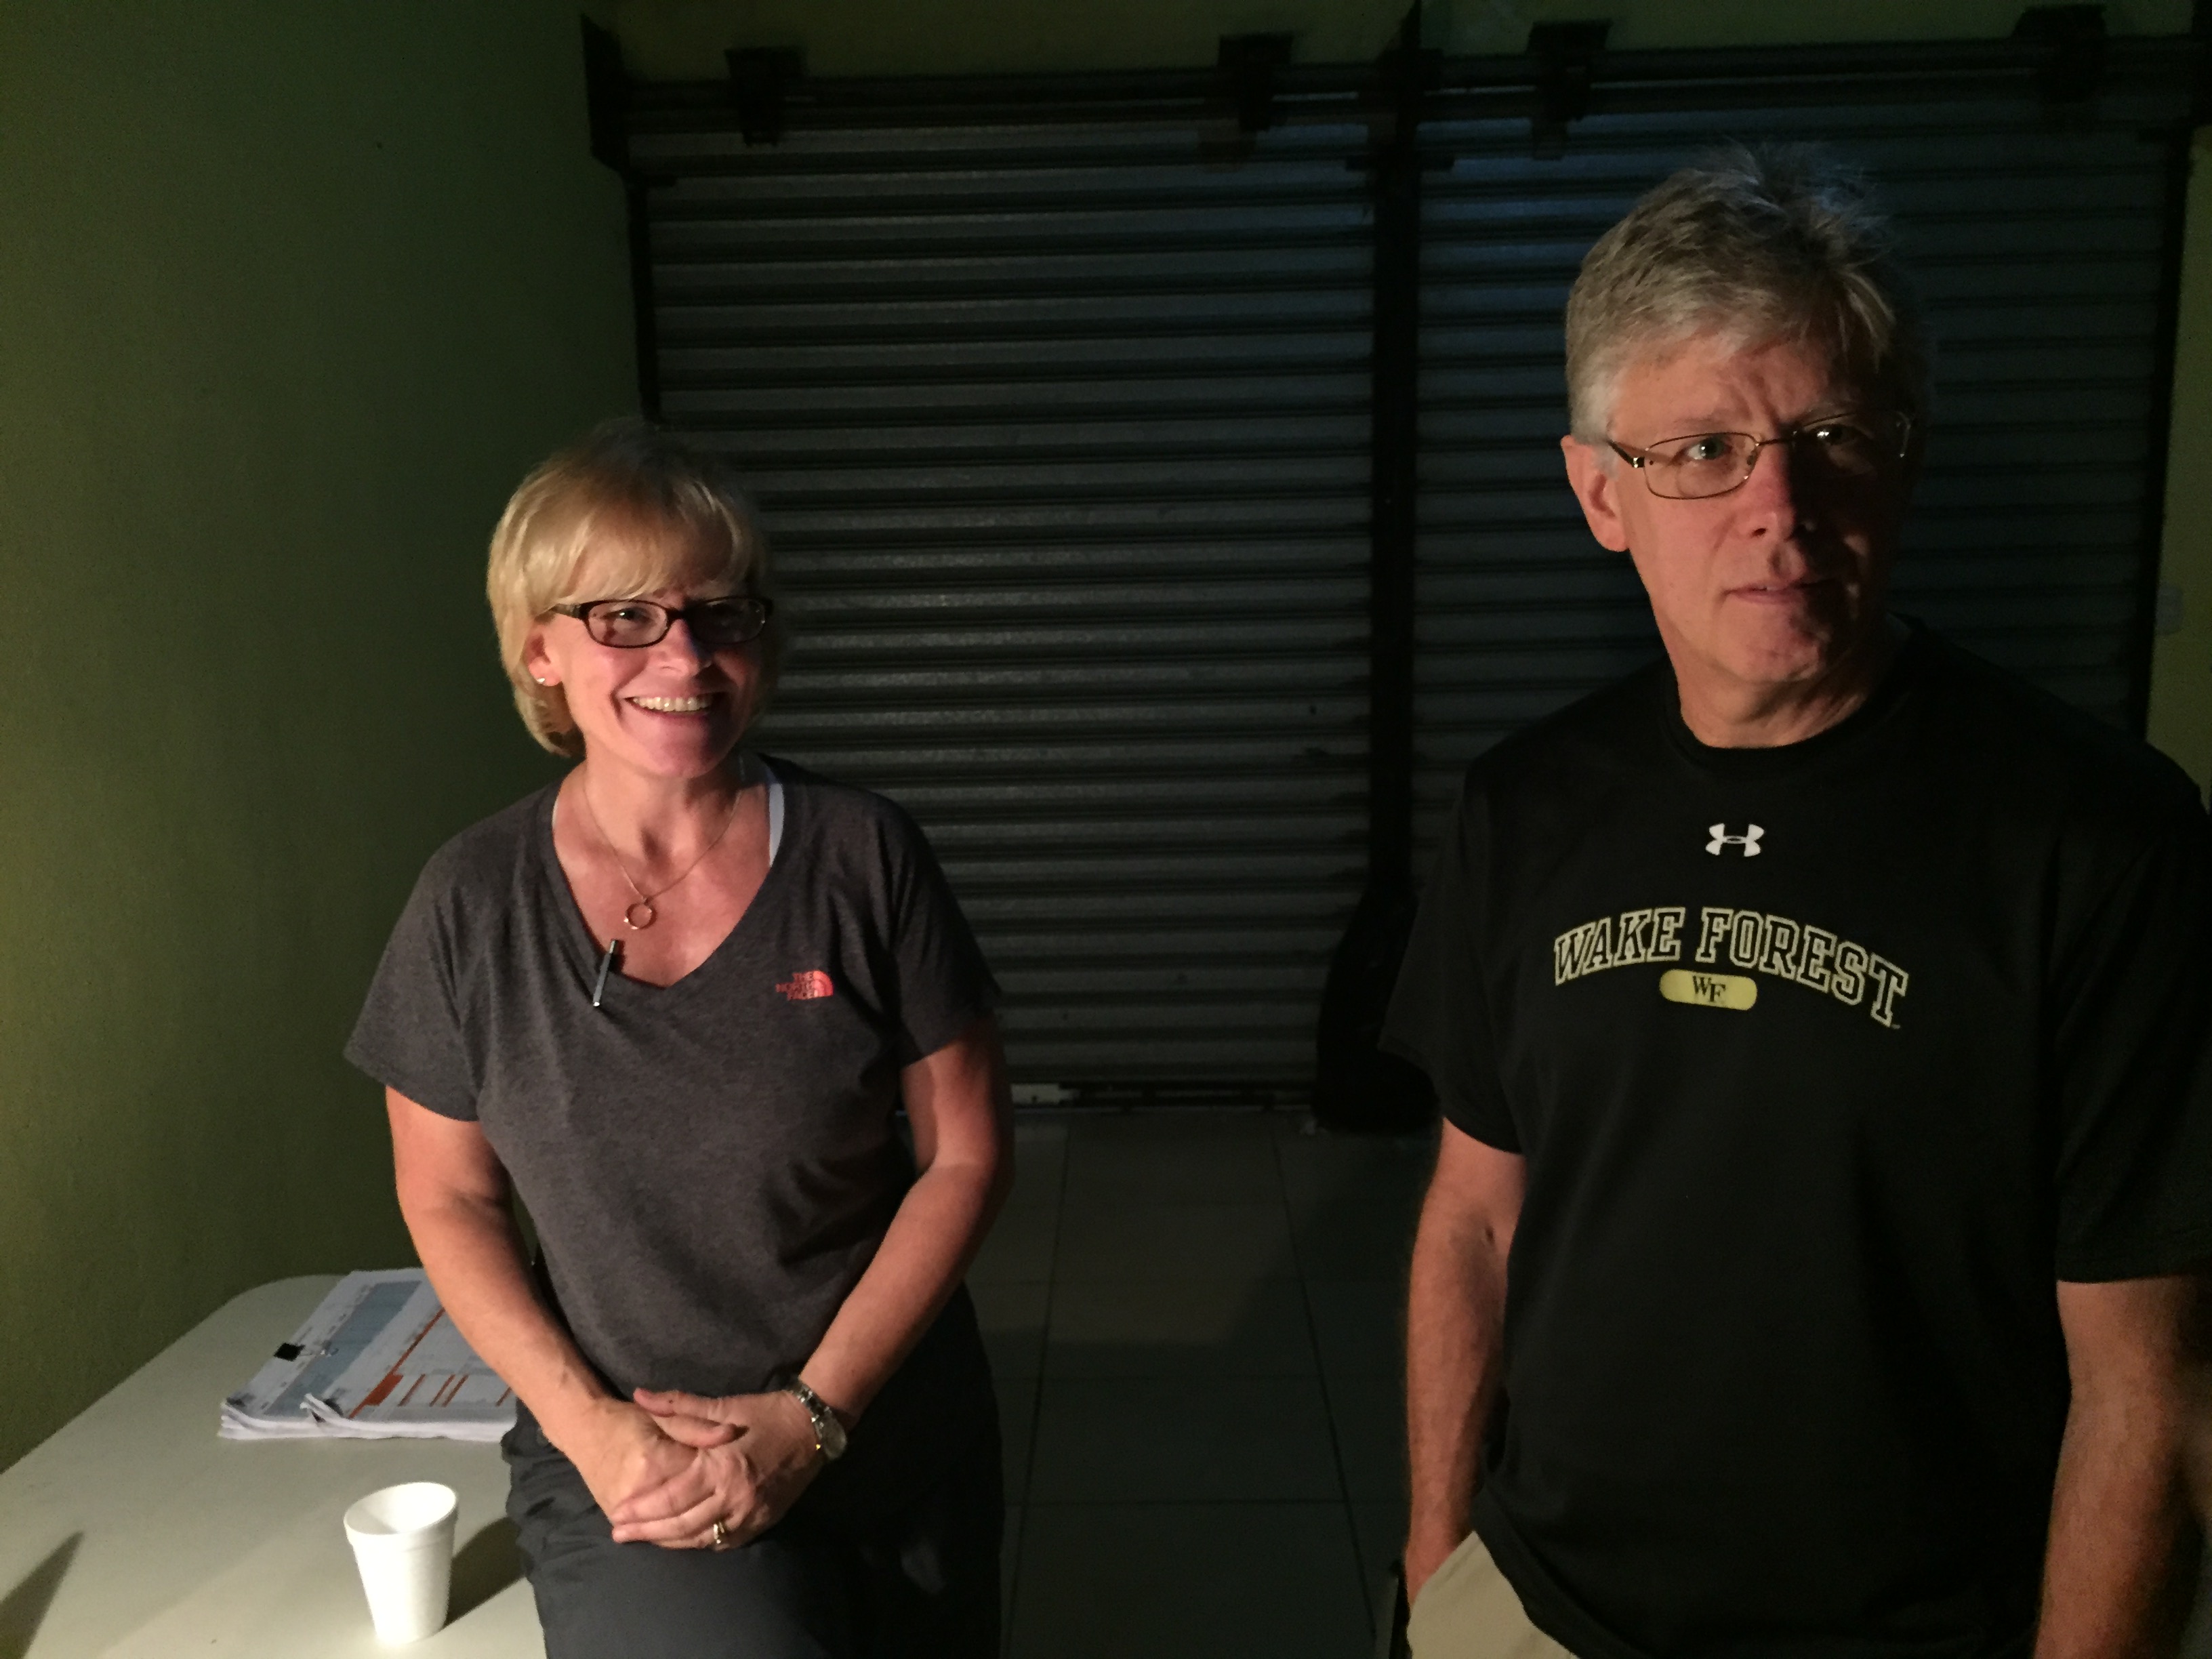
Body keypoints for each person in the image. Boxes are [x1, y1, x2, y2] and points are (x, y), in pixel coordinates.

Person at [1383, 150, 2212, 1658]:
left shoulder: (2100, 840)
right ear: (1601, 495)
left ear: (1905, 459)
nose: (1779, 505)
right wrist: (1438, 1554)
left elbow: (2148, 1386)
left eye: (1834, 435)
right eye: (1702, 449)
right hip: (1538, 1608)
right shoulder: (1525, 808)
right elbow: (1476, 1221)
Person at [346, 420, 1011, 1658]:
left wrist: (812, 1419)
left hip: (881, 1430)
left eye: (722, 613)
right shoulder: (470, 901)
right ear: (540, 648)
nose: (687, 655)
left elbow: (966, 1155)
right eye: (627, 617)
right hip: (630, 1465)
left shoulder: (864, 857)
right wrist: (592, 1432)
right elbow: (447, 1195)